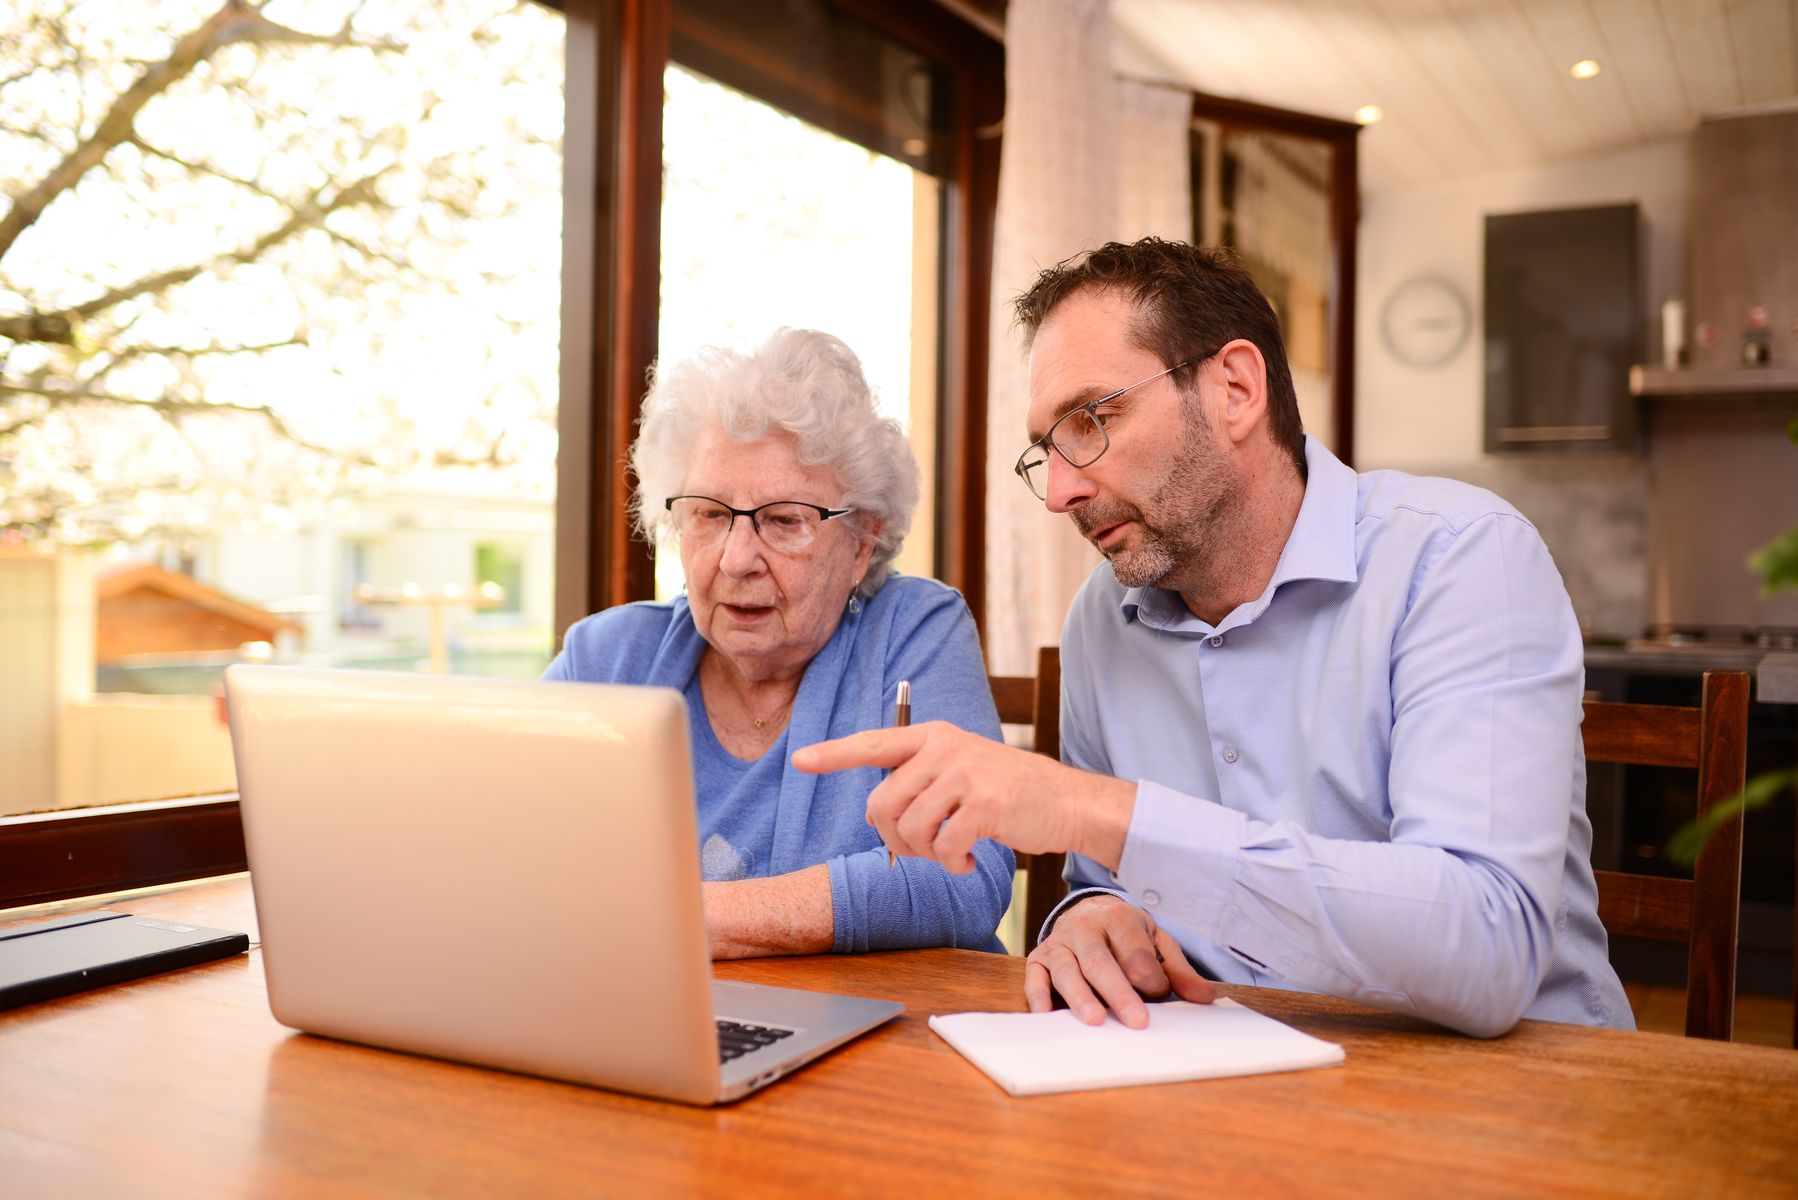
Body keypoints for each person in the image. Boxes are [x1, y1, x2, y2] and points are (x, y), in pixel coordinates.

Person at [796, 238, 1633, 1037]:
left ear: (1235, 389)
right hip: (1228, 1079)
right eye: (1045, 451)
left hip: (1514, 1096)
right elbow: (1108, 881)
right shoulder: (1104, 616)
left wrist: (1084, 806)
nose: (1058, 493)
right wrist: (1092, 919)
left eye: (1090, 420)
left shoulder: (1459, 558)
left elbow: (1488, 950)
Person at [545, 327, 1013, 957]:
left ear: (862, 542)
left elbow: (964, 874)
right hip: (655, 1025)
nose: (737, 559)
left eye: (785, 520)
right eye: (709, 514)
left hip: (883, 1034)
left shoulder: (914, 629)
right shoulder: (605, 658)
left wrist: (679, 918)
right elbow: (506, 855)